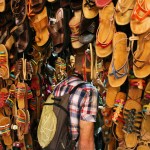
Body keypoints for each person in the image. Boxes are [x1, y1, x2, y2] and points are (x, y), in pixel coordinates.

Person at [53, 53, 98, 150]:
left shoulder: (58, 86)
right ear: (86, 68)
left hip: (56, 145)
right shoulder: (89, 91)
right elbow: (86, 141)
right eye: (94, 66)